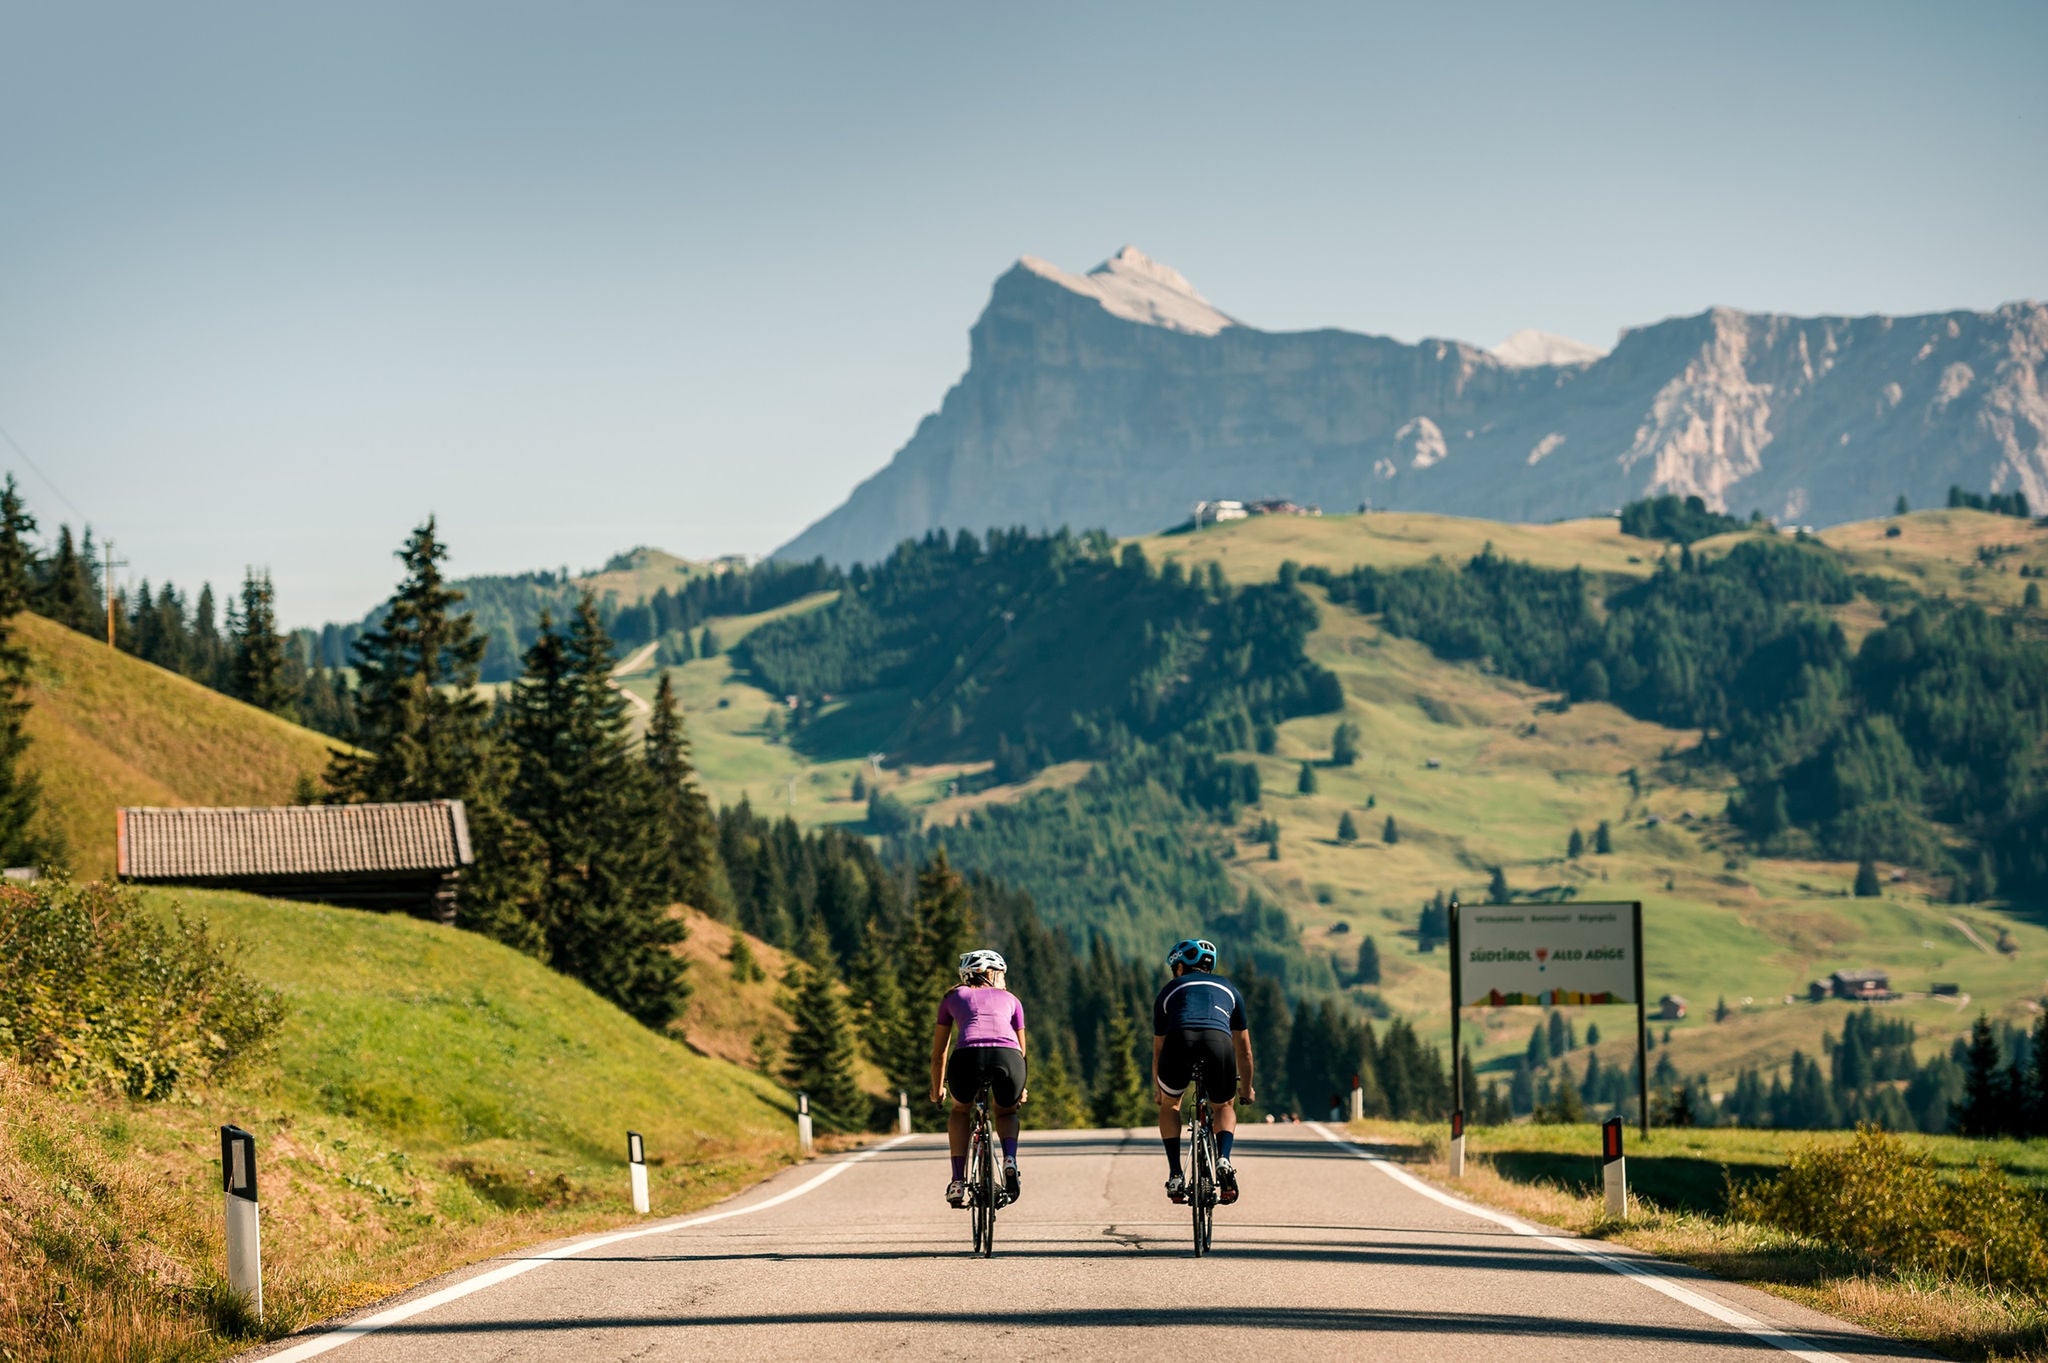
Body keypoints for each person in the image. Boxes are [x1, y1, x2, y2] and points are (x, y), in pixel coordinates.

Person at [1152, 937, 1255, 1205]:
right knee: (1223, 1106)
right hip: (1217, 1043)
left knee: (1171, 1105)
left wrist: (1159, 1090)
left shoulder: (1170, 989)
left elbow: (1158, 1049)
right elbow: (1244, 1049)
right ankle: (1224, 1158)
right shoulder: (1229, 989)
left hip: (1179, 1042)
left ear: (1180, 967)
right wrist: (1246, 1088)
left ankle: (1175, 1173)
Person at [929, 948, 1027, 1208]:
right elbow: (1021, 1051)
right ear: (989, 974)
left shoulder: (953, 996)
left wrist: (937, 1090)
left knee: (960, 1110)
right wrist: (1021, 1087)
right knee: (1006, 1111)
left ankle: (958, 1181)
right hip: (1008, 1059)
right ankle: (1009, 1160)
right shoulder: (1013, 1000)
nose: (1005, 980)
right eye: (1002, 974)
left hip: (967, 1059)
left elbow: (939, 1054)